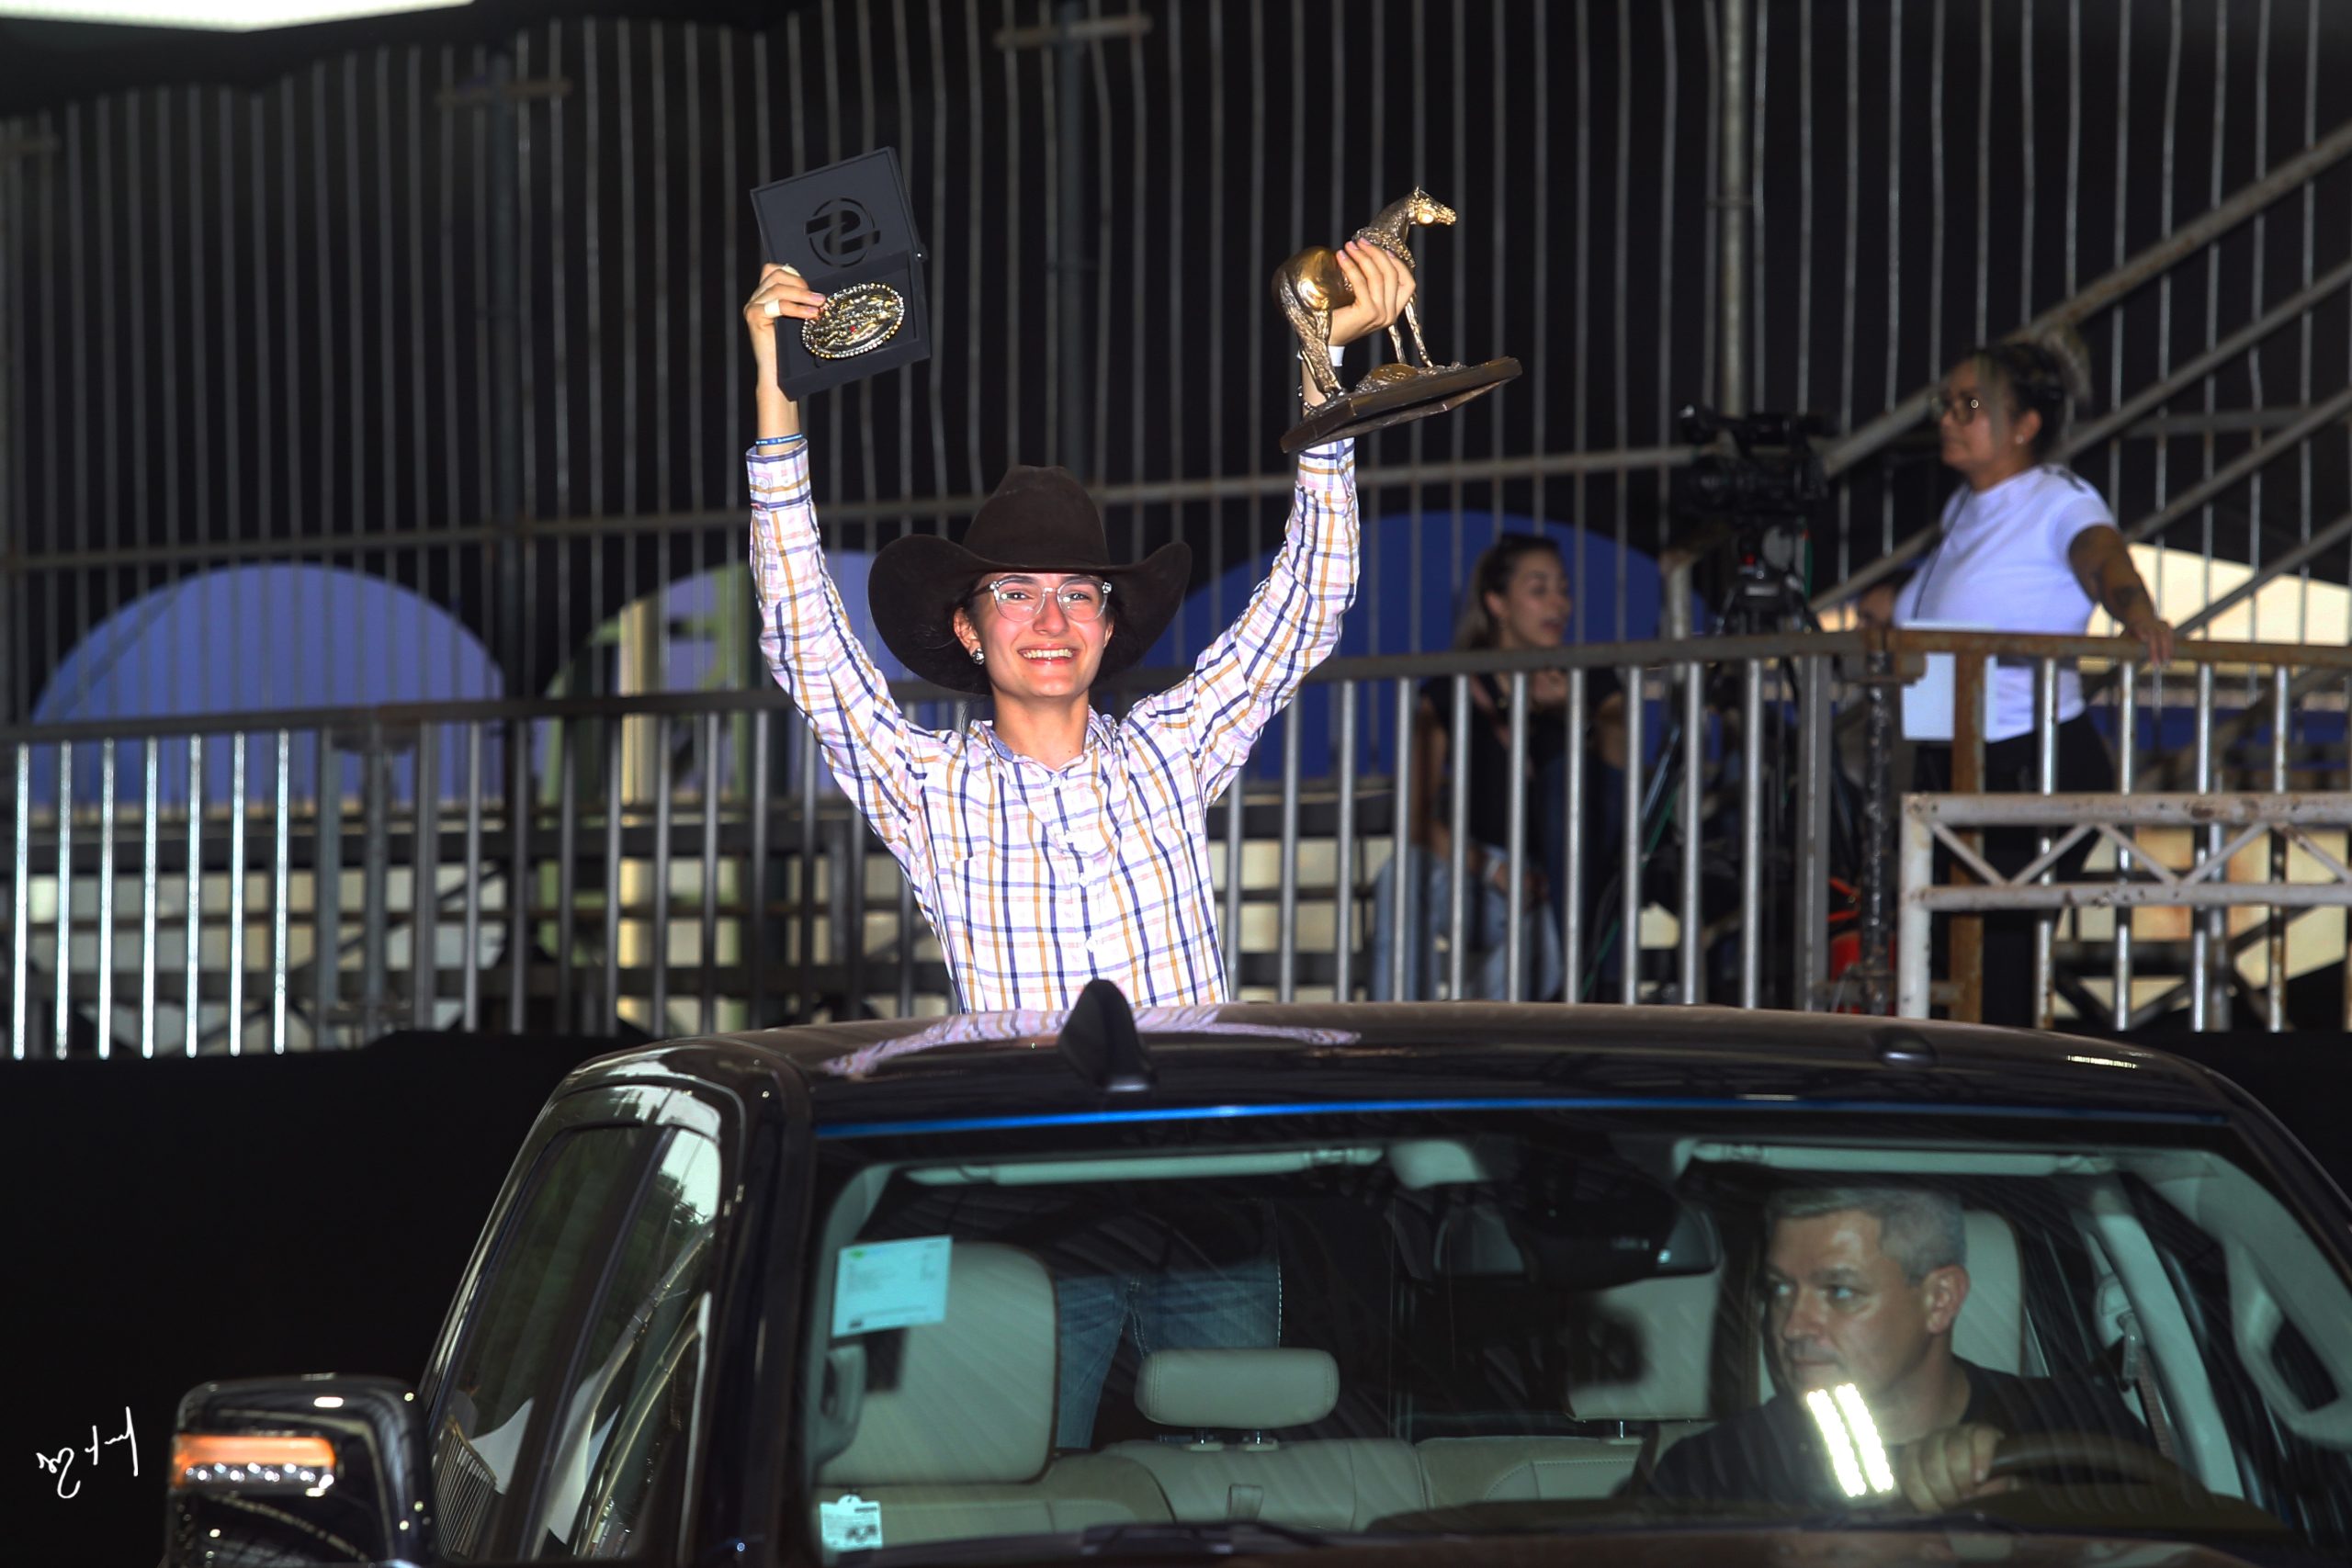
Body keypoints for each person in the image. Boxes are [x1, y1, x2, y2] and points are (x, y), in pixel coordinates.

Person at [741, 241, 1415, 1014]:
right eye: (1016, 593)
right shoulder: (928, 787)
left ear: (1105, 623)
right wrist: (777, 383)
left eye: (1078, 593)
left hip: (1186, 1125)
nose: (1052, 619)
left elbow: (1311, 598)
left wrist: (1321, 353)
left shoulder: (1171, 748)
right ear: (969, 629)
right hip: (1031, 1132)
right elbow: (806, 642)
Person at [1855, 337, 2175, 1028]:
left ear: (2024, 426)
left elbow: (2100, 556)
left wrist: (2135, 608)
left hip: (2027, 759)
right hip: (1956, 760)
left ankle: (1991, 1099)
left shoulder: (2058, 495)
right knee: (1949, 951)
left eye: (1969, 405)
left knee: (1994, 956)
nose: (1948, 417)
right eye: (1946, 404)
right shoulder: (1964, 510)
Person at [1643, 1186, 2150, 1513]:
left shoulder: (2081, 1435)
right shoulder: (1714, 1475)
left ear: (1940, 1300)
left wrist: (2027, 1529)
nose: (1793, 1325)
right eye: (1779, 1290)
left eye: (1840, 1292)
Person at [1370, 533, 1627, 1000]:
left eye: (1564, 588)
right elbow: (1414, 819)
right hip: (1484, 880)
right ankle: (1395, 1023)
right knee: (1400, 875)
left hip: (1563, 886)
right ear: (1497, 603)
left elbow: (1621, 774)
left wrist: (1576, 710)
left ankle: (1454, 1035)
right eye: (1539, 588)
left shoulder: (1592, 679)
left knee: (1562, 923)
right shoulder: (1450, 690)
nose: (1559, 603)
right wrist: (1491, 870)